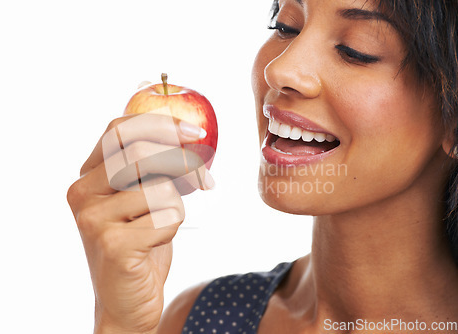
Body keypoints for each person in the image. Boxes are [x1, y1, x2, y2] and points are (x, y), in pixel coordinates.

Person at [67, 0, 458, 333]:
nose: (279, 70)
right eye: (286, 26)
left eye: (356, 50)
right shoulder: (204, 317)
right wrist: (119, 322)